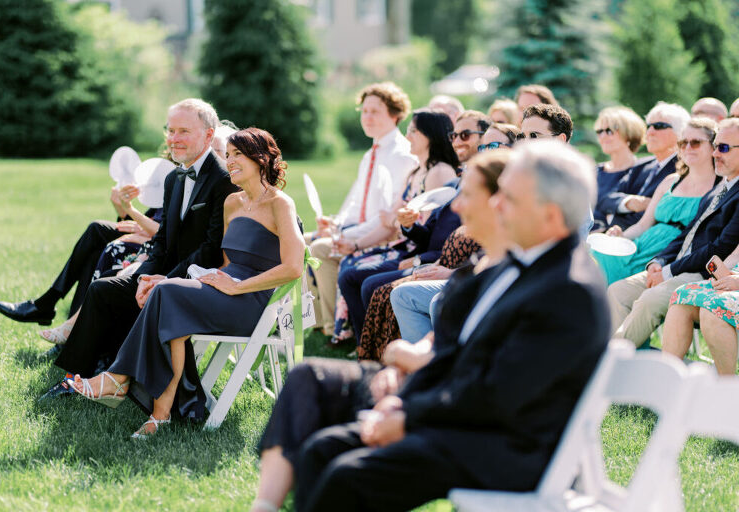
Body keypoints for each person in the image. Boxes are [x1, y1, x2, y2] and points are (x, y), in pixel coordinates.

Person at [291, 140, 609, 512]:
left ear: (552, 217)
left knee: (347, 477)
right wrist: (402, 403)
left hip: (510, 447)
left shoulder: (568, 290)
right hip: (471, 424)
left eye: (509, 198)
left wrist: (410, 418)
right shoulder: (522, 265)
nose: (495, 206)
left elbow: (498, 394)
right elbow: (455, 356)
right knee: (321, 451)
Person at [249, 149, 512, 511]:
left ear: (502, 202)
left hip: (464, 427)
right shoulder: (487, 270)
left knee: (331, 459)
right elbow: (449, 343)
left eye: (467, 195)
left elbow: (488, 378)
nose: (455, 208)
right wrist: (401, 367)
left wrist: (406, 408)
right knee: (309, 378)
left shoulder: (530, 281)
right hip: (428, 390)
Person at [66, 127, 304, 437]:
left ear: (260, 159)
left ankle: (119, 379)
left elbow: (294, 268)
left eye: (237, 155)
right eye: (228, 154)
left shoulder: (280, 204)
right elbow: (227, 263)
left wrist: (237, 286)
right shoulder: (232, 203)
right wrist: (179, 278)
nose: (229, 161)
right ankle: (158, 414)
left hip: (254, 303)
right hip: (224, 290)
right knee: (164, 295)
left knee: (165, 295)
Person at [48, 98, 238, 394]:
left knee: (139, 288)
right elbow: (161, 241)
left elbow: (211, 249)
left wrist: (163, 280)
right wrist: (143, 276)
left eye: (183, 131)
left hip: (196, 281)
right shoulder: (174, 178)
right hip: (163, 275)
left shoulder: (224, 181)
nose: (174, 139)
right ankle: (76, 378)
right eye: (170, 130)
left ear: (209, 135)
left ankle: (116, 377)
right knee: (103, 289)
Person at [359, 149, 510, 360]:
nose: (456, 206)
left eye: (467, 196)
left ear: (498, 200)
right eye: (455, 134)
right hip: (436, 263)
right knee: (393, 291)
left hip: (432, 263)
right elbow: (430, 235)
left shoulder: (516, 266)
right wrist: (409, 226)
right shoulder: (448, 186)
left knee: (421, 297)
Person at [608, 118, 739, 347]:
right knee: (618, 291)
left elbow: (720, 246)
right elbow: (688, 232)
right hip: (676, 266)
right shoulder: (721, 188)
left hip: (702, 274)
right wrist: (659, 261)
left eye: (724, 148)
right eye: (716, 146)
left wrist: (669, 271)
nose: (716, 153)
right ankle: (632, 357)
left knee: (649, 300)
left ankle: (609, 360)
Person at [331, 109, 460, 342]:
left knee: (358, 278)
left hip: (417, 252)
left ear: (430, 136)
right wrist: (356, 243)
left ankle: (369, 346)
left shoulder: (440, 173)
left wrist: (399, 223)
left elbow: (429, 232)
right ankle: (362, 342)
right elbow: (396, 219)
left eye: (413, 131)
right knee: (351, 270)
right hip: (406, 244)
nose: (407, 135)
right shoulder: (416, 172)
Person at [309, 82, 417, 336]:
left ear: (395, 114)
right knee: (303, 240)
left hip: (382, 237)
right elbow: (355, 202)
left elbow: (387, 218)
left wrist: (347, 236)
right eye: (364, 111)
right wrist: (335, 224)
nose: (367, 117)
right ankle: (313, 321)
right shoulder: (371, 153)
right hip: (358, 228)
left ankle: (332, 328)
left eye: (375, 111)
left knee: (320, 248)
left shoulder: (401, 155)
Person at [0, 184, 161, 325]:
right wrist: (122, 209)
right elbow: (132, 227)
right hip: (144, 241)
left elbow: (164, 232)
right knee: (94, 251)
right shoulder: (164, 179)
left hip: (157, 250)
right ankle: (66, 335)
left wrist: (132, 212)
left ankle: (47, 304)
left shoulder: (178, 180)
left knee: (96, 229)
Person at [594, 118, 718, 284]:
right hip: (642, 244)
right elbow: (643, 225)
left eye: (695, 143)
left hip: (670, 254)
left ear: (713, 146)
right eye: (683, 143)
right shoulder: (671, 181)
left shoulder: (720, 186)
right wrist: (621, 236)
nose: (688, 148)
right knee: (598, 253)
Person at [605, 102, 690, 230]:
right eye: (648, 126)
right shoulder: (642, 165)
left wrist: (612, 218)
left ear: (680, 132)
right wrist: (629, 203)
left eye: (659, 126)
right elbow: (607, 197)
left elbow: (654, 218)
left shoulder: (684, 170)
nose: (649, 132)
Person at [663, 244, 739, 375]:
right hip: (732, 279)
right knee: (682, 297)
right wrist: (720, 275)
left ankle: (727, 386)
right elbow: (736, 256)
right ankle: (667, 378)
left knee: (713, 309)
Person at [591, 106, 649, 231]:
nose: (603, 136)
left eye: (609, 130)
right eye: (599, 131)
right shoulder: (592, 172)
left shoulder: (643, 171)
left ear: (629, 133)